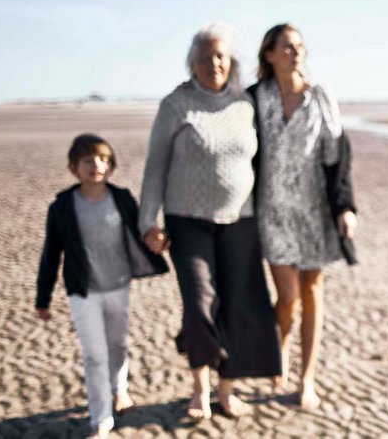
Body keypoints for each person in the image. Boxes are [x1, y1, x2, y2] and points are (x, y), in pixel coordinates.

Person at [139, 23, 280, 419]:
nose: (214, 63)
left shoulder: (244, 103)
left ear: (230, 61)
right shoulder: (175, 104)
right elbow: (155, 167)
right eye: (206, 57)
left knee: (237, 304)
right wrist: (149, 221)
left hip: (241, 221)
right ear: (193, 63)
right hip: (188, 221)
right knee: (200, 303)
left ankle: (225, 389)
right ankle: (199, 388)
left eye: (220, 56)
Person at [248, 23, 358, 410]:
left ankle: (305, 378)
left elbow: (338, 156)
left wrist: (345, 207)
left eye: (299, 46)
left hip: (314, 210)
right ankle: (278, 348)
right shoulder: (255, 98)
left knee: (311, 292)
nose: (294, 52)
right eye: (286, 46)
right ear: (269, 54)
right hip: (272, 210)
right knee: (287, 297)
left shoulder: (320, 97)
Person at [34, 134, 169, 438]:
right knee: (95, 354)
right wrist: (42, 298)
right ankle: (101, 418)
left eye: (104, 160)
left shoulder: (121, 198)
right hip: (83, 291)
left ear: (111, 166)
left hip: (119, 286)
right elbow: (51, 253)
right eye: (88, 160)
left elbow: (141, 232)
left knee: (118, 344)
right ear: (74, 168)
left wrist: (161, 241)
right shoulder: (62, 206)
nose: (97, 165)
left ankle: (119, 390)